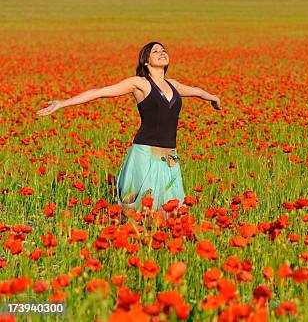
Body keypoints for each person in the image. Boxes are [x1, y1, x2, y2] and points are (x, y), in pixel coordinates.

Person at [36, 41, 222, 224]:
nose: (162, 53)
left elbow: (197, 91)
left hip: (170, 156)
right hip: (145, 153)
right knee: (139, 209)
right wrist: (62, 103)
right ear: (146, 61)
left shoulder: (173, 85)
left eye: (163, 50)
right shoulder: (140, 84)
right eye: (155, 51)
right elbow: (100, 92)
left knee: (170, 210)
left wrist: (213, 98)